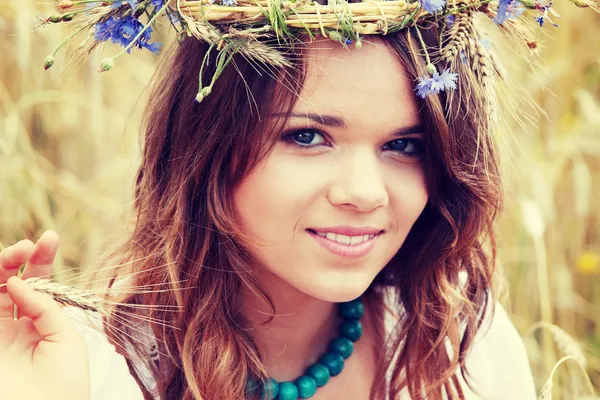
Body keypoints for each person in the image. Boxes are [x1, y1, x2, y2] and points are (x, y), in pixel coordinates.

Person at [2, 0, 567, 398]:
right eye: (307, 137)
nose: (365, 194)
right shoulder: (89, 370)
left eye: (404, 145)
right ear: (205, 148)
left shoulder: (455, 339)